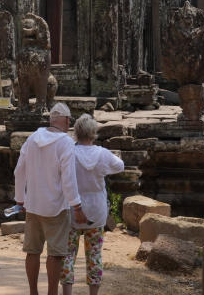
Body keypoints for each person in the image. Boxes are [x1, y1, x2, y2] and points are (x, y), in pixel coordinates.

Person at [14, 102, 88, 295]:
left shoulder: (32, 139)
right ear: (66, 120)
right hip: (56, 207)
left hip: (33, 204)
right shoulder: (65, 142)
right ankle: (52, 292)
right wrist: (77, 206)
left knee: (32, 251)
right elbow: (69, 179)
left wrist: (20, 199)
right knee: (55, 254)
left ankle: (33, 292)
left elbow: (18, 171)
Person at [61, 114, 124, 295]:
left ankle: (67, 292)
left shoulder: (69, 153)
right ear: (94, 133)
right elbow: (119, 166)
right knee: (94, 255)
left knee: (67, 255)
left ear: (76, 133)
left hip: (73, 208)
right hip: (96, 210)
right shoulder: (102, 154)